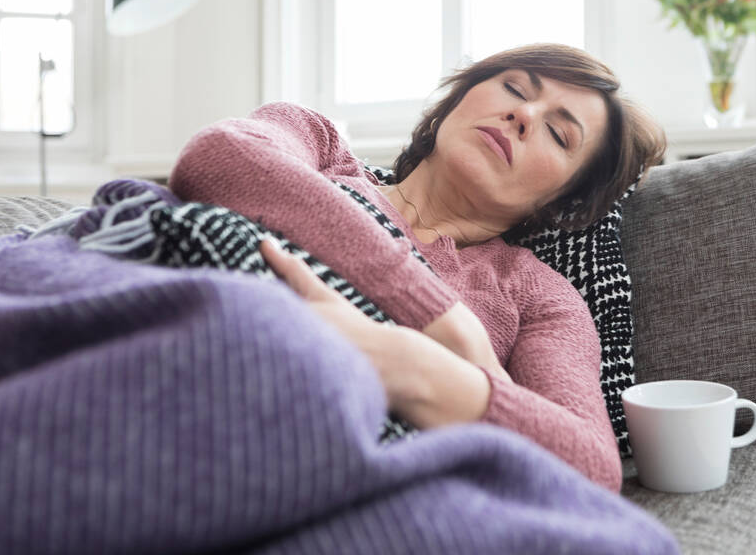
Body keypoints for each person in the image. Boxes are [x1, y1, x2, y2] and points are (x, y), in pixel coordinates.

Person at [169, 42, 667, 494]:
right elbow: (216, 159)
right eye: (514, 88)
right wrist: (441, 319)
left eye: (559, 134)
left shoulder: (538, 295)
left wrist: (407, 364)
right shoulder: (320, 148)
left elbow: (591, 468)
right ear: (458, 100)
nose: (523, 113)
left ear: (562, 201)